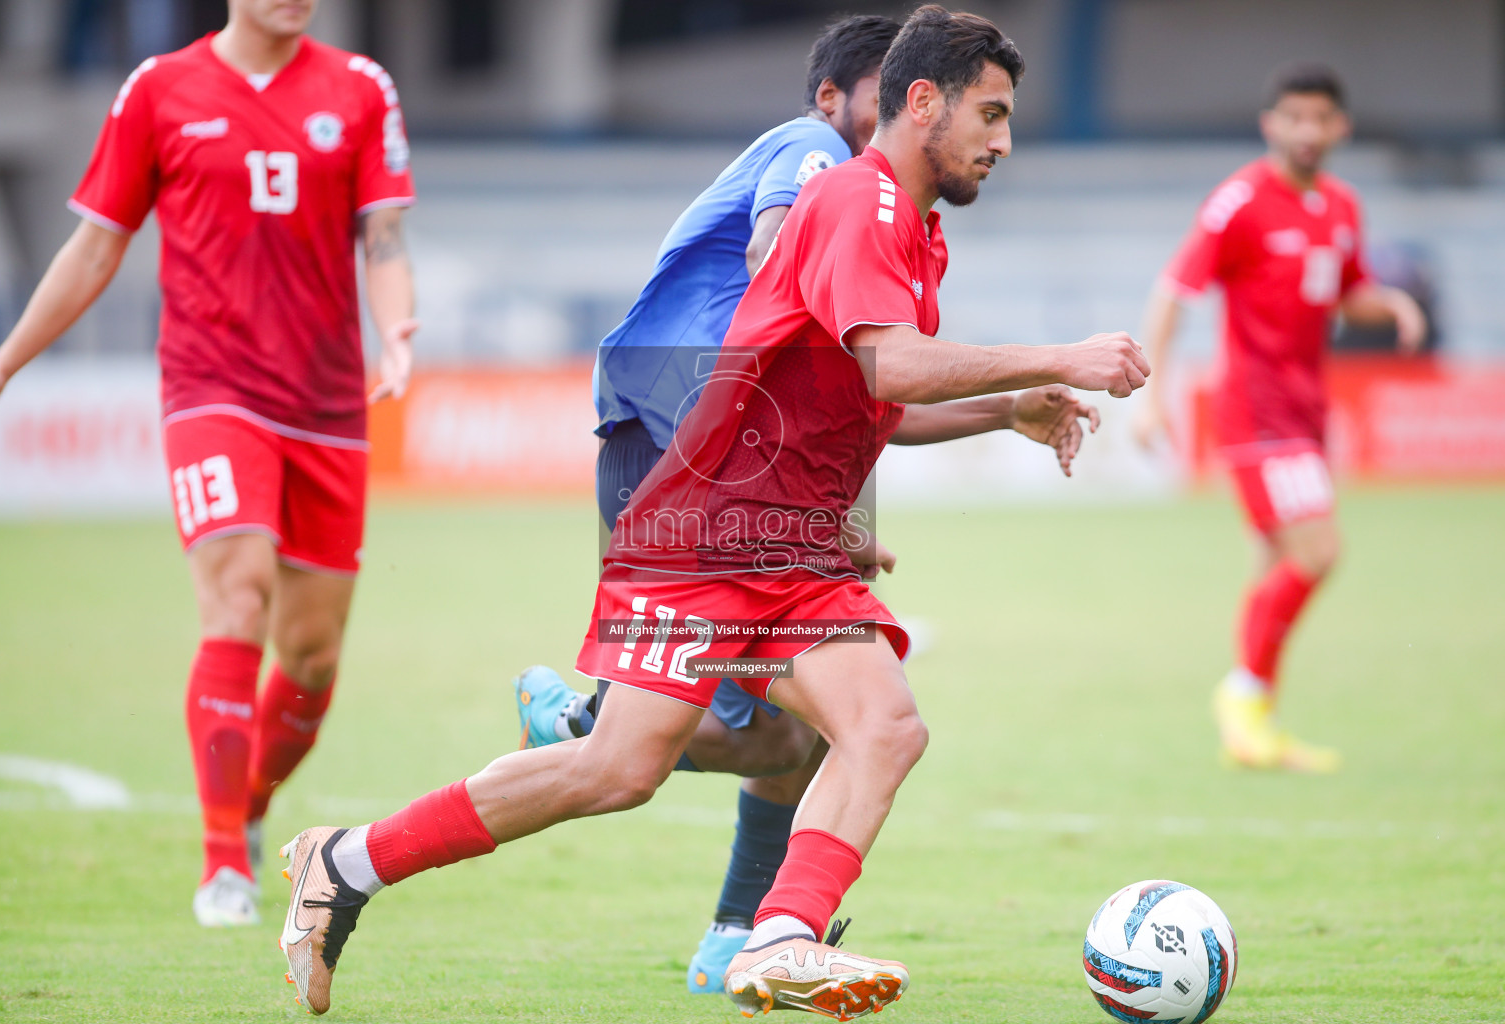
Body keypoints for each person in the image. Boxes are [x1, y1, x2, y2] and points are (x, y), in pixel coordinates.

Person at [277, 6, 1148, 1018]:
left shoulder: (912, 232)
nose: (1003, 141)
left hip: (788, 546)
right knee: (622, 766)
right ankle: (352, 861)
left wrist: (1008, 412)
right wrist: (1059, 354)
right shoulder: (851, 200)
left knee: (878, 726)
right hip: (709, 532)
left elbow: (875, 394)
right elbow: (891, 360)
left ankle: (774, 935)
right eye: (990, 115)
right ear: (923, 102)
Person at [510, 14, 1092, 994]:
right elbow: (790, 277)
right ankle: (586, 731)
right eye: (883, 101)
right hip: (680, 425)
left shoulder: (886, 208)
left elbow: (851, 387)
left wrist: (828, 521)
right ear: (843, 102)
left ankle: (741, 925)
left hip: (748, 459)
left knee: (814, 728)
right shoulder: (814, 157)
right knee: (760, 734)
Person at [0, 0, 418, 925]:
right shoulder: (159, 90)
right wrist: (3, 365)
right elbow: (96, 246)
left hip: (328, 405)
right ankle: (225, 869)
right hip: (211, 390)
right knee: (238, 591)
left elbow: (383, 236)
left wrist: (398, 327)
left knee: (312, 655)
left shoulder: (361, 88)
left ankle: (246, 808)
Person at [1133, 65, 1425, 773]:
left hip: (1306, 410)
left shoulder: (1341, 206)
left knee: (1272, 564)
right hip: (1258, 412)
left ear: (1339, 127)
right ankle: (1242, 695)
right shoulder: (1240, 202)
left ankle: (1253, 726)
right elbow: (1175, 291)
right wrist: (1154, 395)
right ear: (1271, 124)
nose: (1306, 130)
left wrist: (1390, 303)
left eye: (1319, 118)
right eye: (1292, 117)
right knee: (1318, 552)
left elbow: (1345, 293)